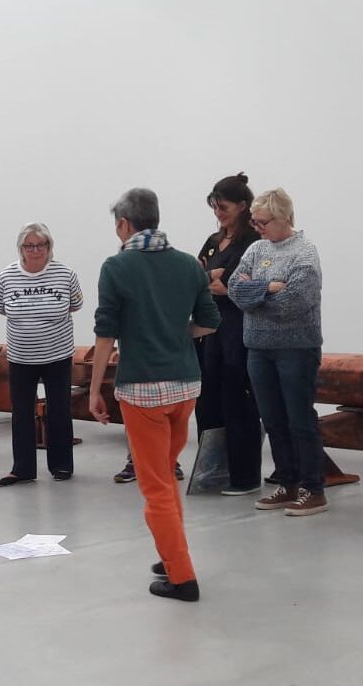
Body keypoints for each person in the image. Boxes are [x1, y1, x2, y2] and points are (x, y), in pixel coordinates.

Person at [90, 188, 220, 602]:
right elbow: (209, 322)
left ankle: (182, 578)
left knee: (156, 487)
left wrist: (95, 390)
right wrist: (172, 334)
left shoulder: (116, 267)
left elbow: (106, 334)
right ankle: (171, 555)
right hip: (185, 385)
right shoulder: (188, 265)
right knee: (166, 475)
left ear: (123, 224)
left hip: (142, 390)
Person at [227, 189, 327, 516]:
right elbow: (234, 289)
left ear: (283, 217)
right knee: (272, 420)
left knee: (300, 420)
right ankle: (287, 483)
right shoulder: (256, 249)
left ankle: (313, 488)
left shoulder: (305, 253)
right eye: (254, 222)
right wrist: (268, 288)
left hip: (296, 349)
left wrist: (253, 296)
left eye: (263, 222)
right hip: (258, 348)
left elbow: (292, 303)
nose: (257, 228)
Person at [188, 172, 265, 495]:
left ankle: (244, 476)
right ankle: (212, 472)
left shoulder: (252, 242)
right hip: (210, 331)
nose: (218, 213)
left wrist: (217, 281)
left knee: (238, 401)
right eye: (215, 207)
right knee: (208, 399)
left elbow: (235, 286)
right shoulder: (212, 241)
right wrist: (212, 279)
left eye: (224, 207)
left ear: (243, 206)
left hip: (237, 331)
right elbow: (197, 278)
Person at [0, 222, 84, 487]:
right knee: (21, 412)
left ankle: (61, 465)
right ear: (21, 248)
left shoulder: (65, 275)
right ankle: (22, 469)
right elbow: (1, 308)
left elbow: (75, 304)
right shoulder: (5, 277)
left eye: (40, 245)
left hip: (58, 355)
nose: (35, 250)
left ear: (49, 246)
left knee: (59, 409)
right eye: (29, 246)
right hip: (21, 358)